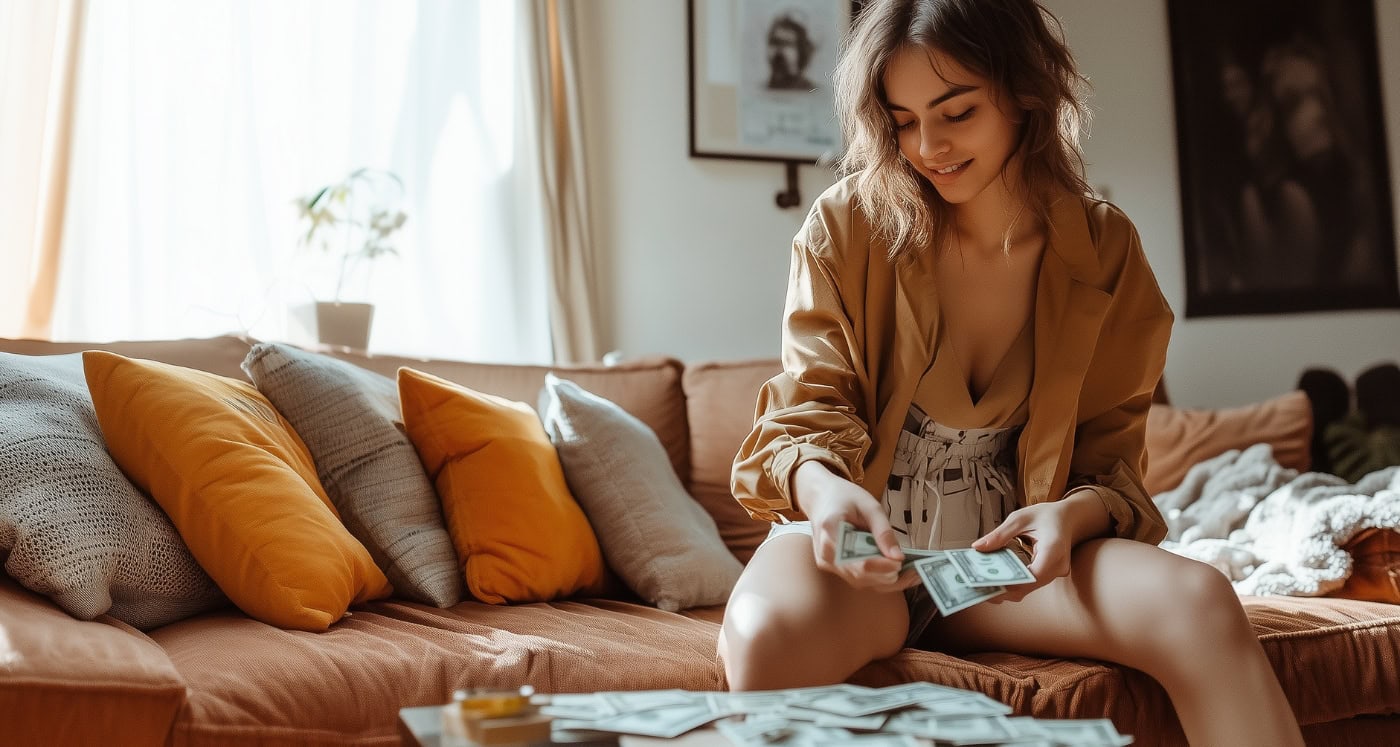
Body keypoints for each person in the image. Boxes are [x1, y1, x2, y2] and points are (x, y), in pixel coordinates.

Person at [716, 2, 1306, 745]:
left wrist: (1073, 515)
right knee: (762, 635)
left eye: (956, 111)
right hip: (869, 565)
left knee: (1201, 600)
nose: (927, 146)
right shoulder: (847, 225)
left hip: (1006, 573)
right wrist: (827, 496)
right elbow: (805, 412)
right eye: (902, 120)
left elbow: (1111, 463)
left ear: (1024, 90)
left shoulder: (1104, 249)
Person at [765, 12, 816, 91]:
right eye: (775, 42)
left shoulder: (812, 92)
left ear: (801, 52)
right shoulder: (762, 91)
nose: (779, 50)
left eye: (787, 44)